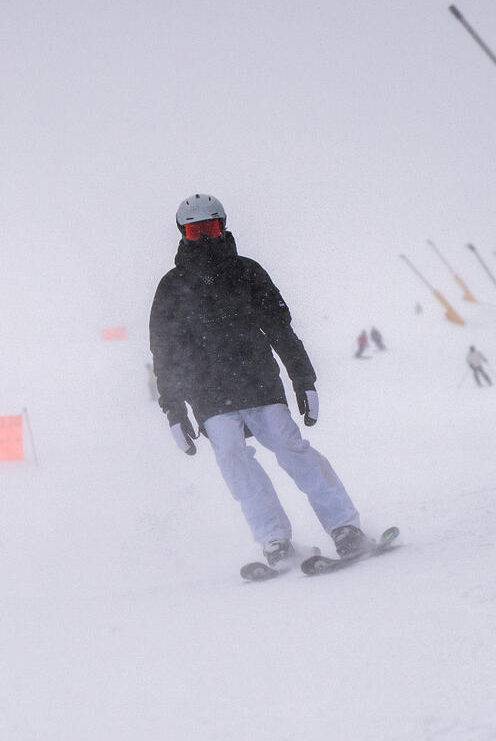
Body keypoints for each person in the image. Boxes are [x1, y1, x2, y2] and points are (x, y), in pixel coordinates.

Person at [149, 193, 367, 566]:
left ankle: (344, 526)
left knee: (289, 446)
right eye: (196, 232)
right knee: (232, 457)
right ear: (183, 234)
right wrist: (174, 409)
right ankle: (274, 539)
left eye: (211, 228)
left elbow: (281, 329)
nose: (204, 238)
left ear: (224, 226)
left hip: (257, 381)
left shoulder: (247, 272)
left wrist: (303, 379)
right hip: (209, 392)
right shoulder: (172, 287)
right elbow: (165, 352)